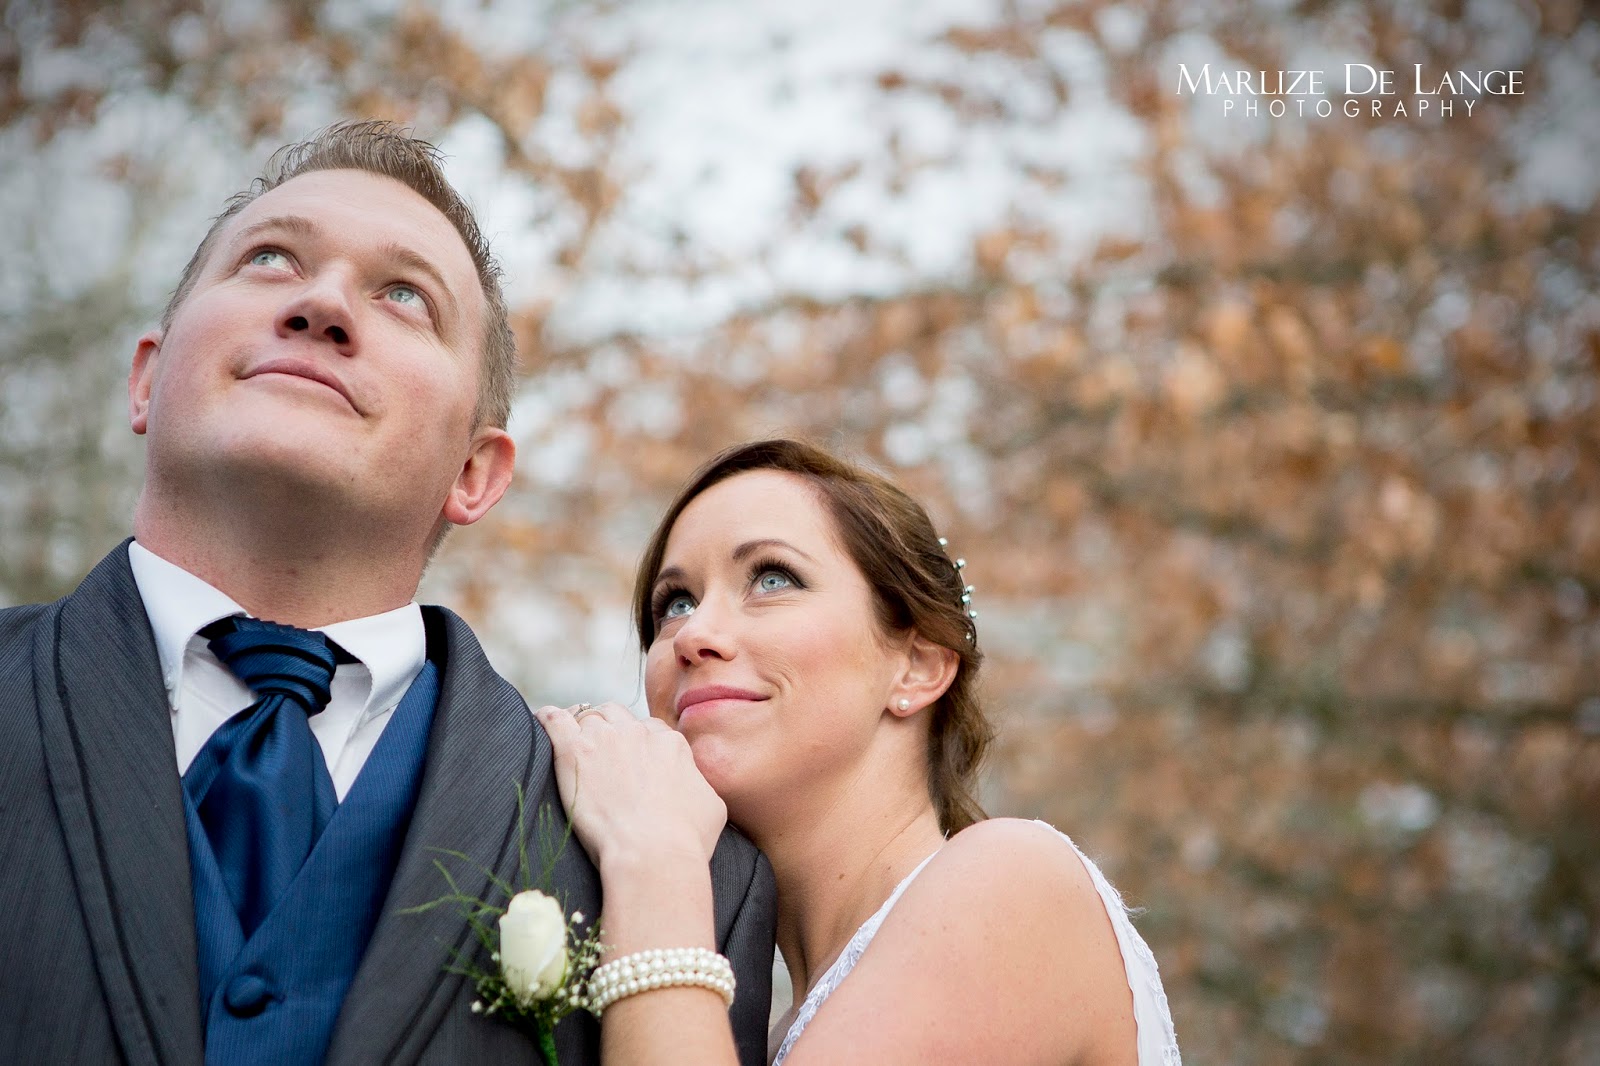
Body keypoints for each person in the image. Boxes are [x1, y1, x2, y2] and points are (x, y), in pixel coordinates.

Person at [0, 121, 775, 1066]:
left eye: (405, 295)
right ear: (147, 380)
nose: (322, 304)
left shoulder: (693, 871)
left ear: (475, 473)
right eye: (272, 258)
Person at [538, 438, 1180, 1065]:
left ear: (918, 667)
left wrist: (654, 861)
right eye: (675, 603)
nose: (693, 634)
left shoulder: (1016, 886)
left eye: (772, 578)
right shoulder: (757, 1035)